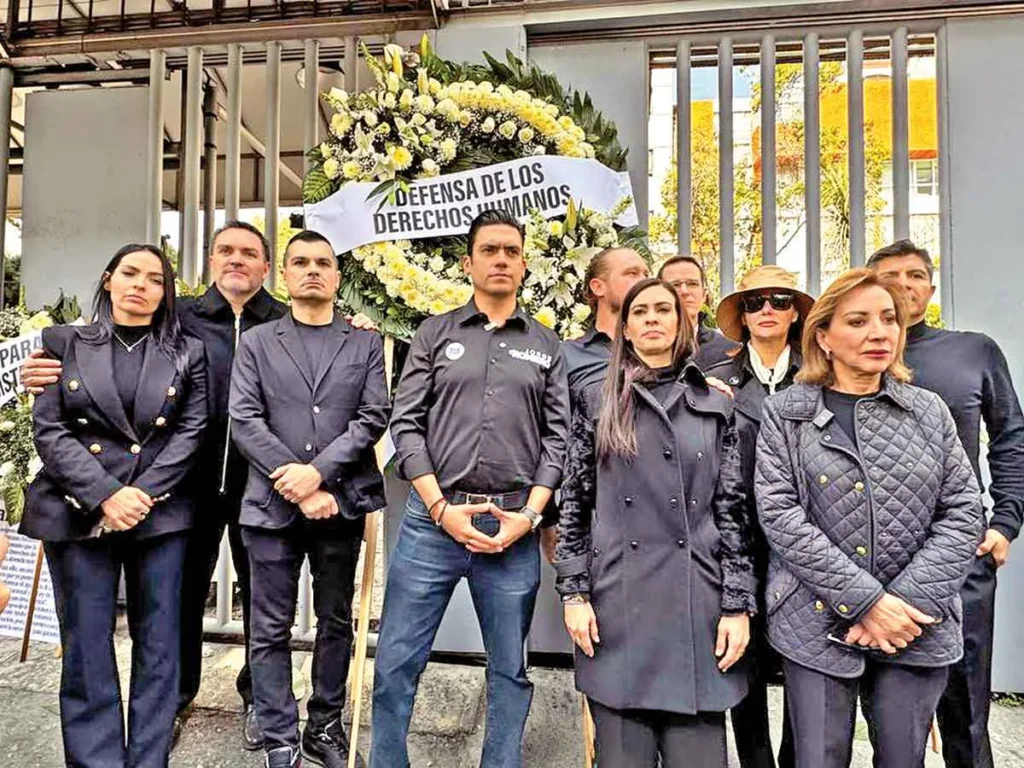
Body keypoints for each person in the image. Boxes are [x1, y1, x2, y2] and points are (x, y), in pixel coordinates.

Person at [20, 220, 289, 749]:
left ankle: (261, 698)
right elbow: (55, 420)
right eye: (225, 250)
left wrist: (359, 327)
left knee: (264, 599)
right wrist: (108, 493)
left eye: (249, 252)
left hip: (252, 484)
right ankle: (177, 702)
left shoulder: (286, 322)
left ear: (266, 267)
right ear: (210, 261)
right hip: (179, 492)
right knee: (175, 610)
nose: (236, 259)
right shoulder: (181, 321)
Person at [755, 268, 984, 768]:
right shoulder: (785, 413)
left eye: (888, 320)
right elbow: (779, 513)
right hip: (812, 620)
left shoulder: (929, 411)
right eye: (857, 321)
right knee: (818, 756)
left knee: (904, 757)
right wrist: (863, 600)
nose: (878, 333)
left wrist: (900, 604)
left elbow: (964, 510)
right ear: (823, 336)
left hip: (915, 623)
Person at [371, 209, 570, 768]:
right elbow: (405, 423)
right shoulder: (434, 334)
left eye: (511, 250)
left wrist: (529, 518)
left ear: (525, 264)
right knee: (395, 664)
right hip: (431, 525)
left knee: (510, 669)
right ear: (469, 263)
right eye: (490, 250)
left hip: (512, 530)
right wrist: (438, 507)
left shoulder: (546, 345)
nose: (501, 259)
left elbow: (558, 439)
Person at [554, 277, 756, 767]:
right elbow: (575, 505)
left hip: (698, 605)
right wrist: (574, 594)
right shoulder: (598, 402)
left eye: (662, 310)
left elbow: (732, 513)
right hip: (617, 603)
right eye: (639, 311)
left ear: (681, 320)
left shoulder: (716, 404)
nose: (651, 319)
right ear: (624, 326)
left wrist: (737, 606)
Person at [20, 244, 208, 768]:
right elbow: (51, 430)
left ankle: (148, 761)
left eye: (154, 279)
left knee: (160, 647)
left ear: (166, 294)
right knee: (85, 647)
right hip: (79, 510)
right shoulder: (63, 343)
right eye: (130, 273)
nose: (140, 285)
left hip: (159, 512)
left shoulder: (188, 352)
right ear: (108, 280)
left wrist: (138, 496)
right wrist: (106, 495)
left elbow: (190, 434)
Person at [229, 230, 390, 768]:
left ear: (338, 276)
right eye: (301, 262)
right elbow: (244, 419)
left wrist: (318, 475)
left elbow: (371, 417)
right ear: (285, 275)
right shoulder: (255, 342)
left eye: (323, 262)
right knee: (268, 626)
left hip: (339, 504)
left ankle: (324, 725)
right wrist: (292, 480)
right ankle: (278, 735)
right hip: (270, 508)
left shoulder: (365, 342)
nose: (313, 270)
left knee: (336, 621)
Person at [867, 240, 1024, 768]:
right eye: (889, 275)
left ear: (930, 289)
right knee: (884, 711)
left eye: (915, 275)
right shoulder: (849, 357)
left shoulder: (973, 351)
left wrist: (1006, 520)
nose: (903, 284)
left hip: (961, 552)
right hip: (874, 560)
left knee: (966, 704)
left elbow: (1010, 437)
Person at [706, 265, 814, 768]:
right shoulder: (715, 378)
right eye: (754, 303)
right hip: (739, 545)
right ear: (743, 317)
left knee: (805, 672)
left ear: (795, 313)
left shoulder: (820, 375)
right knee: (742, 670)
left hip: (806, 547)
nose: (766, 310)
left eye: (777, 300)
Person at [658, 255, 740, 368]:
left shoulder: (730, 350)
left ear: (704, 295)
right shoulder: (642, 347)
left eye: (692, 284)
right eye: (675, 285)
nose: (684, 291)